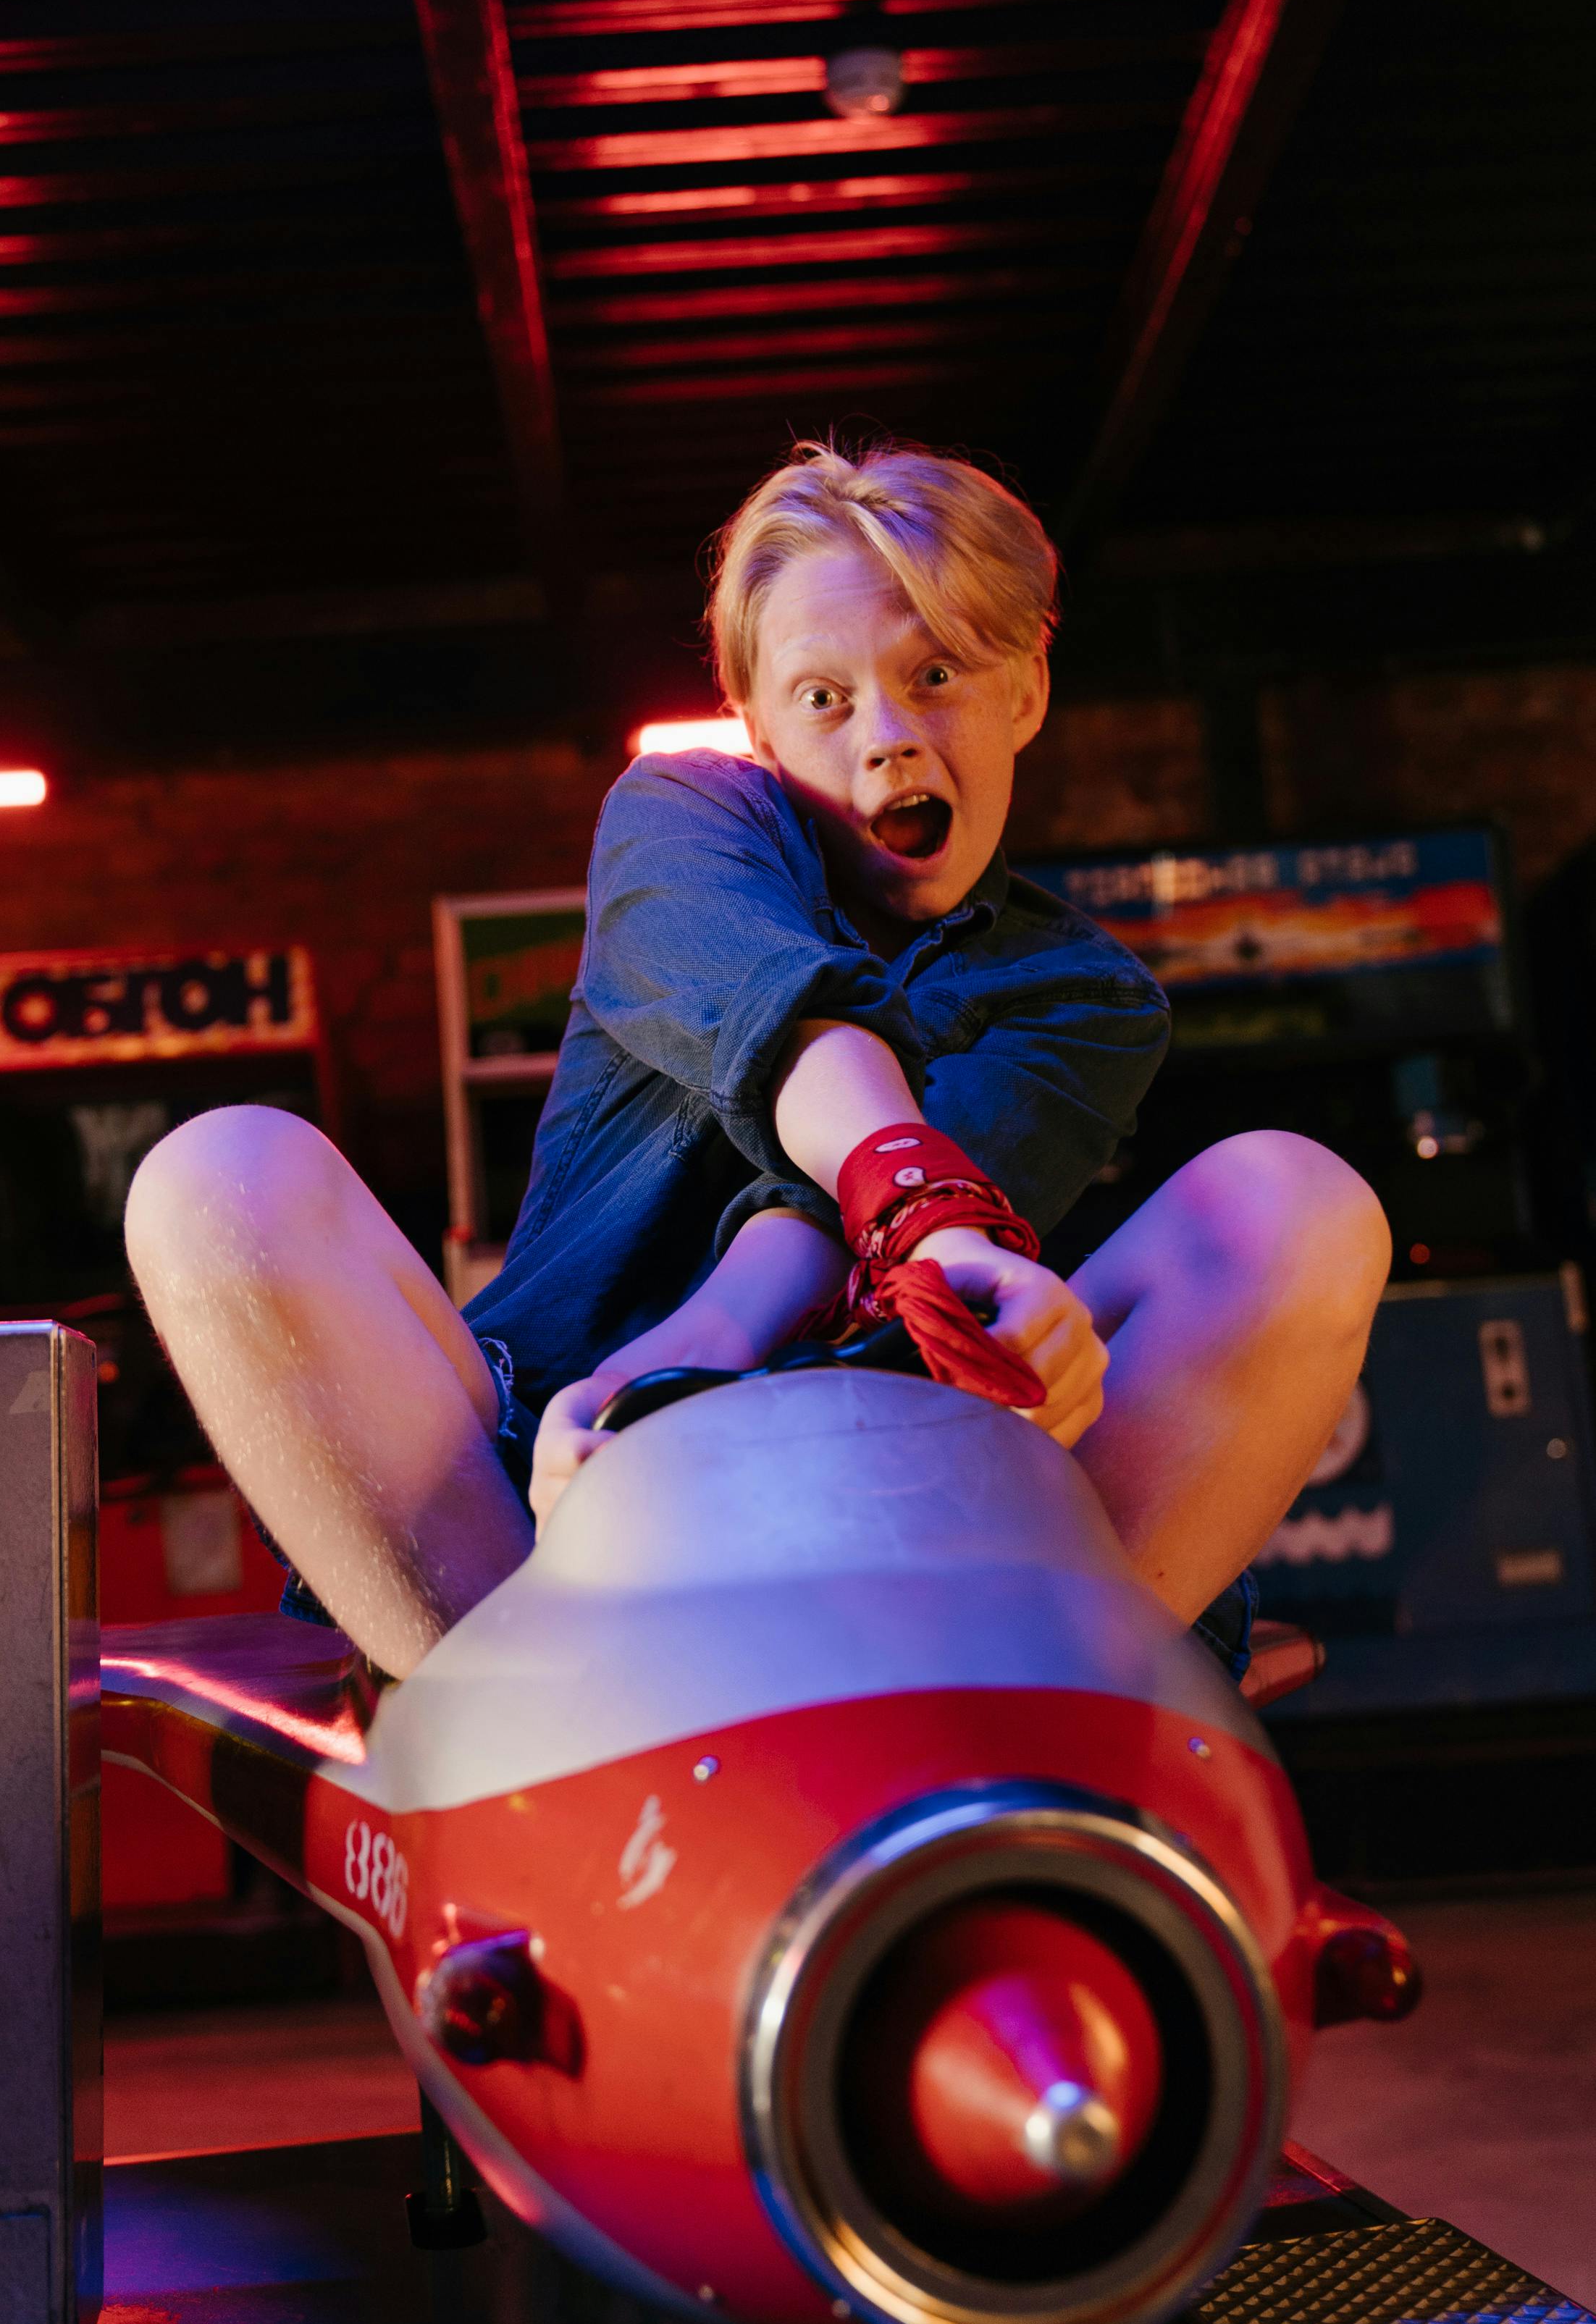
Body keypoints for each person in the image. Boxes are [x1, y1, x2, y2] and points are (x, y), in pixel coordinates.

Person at [125, 441, 1390, 1681]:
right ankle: (501, 1706)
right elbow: (794, 1038)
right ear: (756, 727)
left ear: (1026, 689)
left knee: (1299, 1201)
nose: (887, 739)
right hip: (541, 1492)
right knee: (216, 1170)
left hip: (898, 1493)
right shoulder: (683, 817)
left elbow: (825, 1220)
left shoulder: (1087, 996)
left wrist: (734, 1347)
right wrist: (665, 1374)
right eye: (824, 698)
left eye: (935, 671)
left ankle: (1066, 1701)